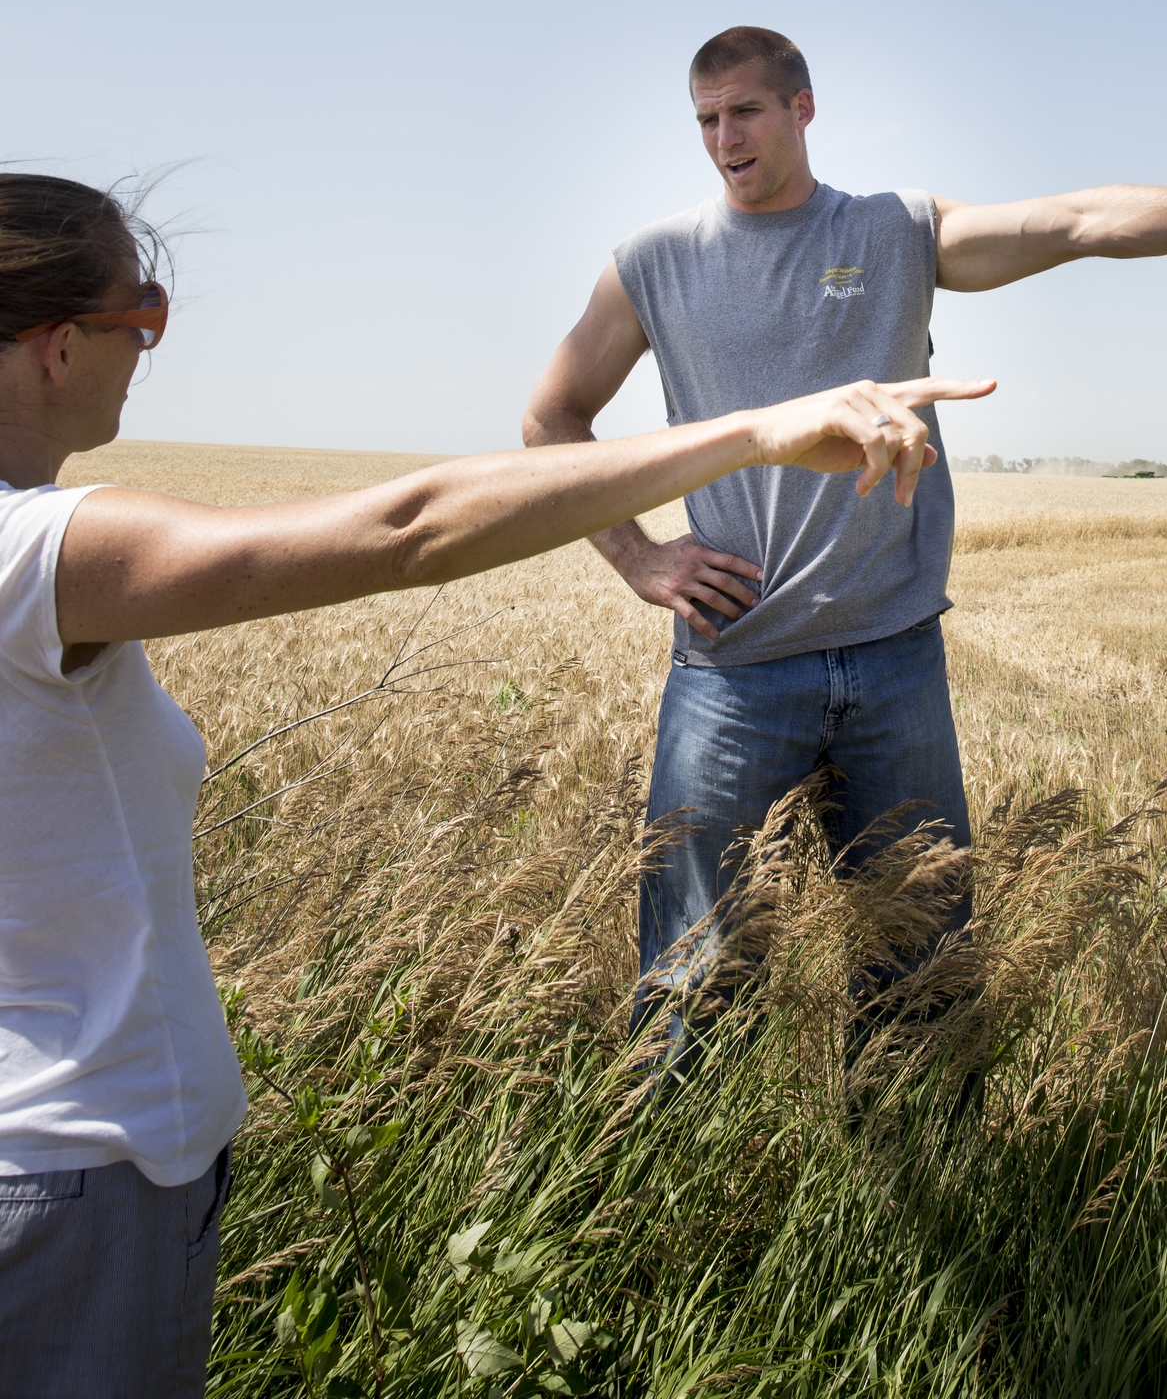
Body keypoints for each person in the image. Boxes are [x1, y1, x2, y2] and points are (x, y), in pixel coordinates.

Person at [0, 172, 989, 1399]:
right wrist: (760, 430)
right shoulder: (33, 555)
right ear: (55, 347)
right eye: (141, 314)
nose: (150, 346)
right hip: (72, 1173)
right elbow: (411, 528)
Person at [522, 25, 1167, 1031]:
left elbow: (1084, 220)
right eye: (707, 118)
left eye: (745, 111)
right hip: (732, 674)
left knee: (921, 971)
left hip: (893, 666)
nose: (725, 135)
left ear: (802, 108)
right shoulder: (651, 265)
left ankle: (915, 1172)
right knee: (695, 981)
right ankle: (668, 1168)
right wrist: (640, 556)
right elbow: (551, 418)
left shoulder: (894, 232)